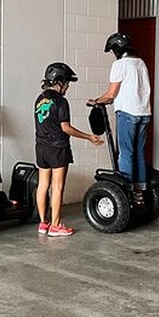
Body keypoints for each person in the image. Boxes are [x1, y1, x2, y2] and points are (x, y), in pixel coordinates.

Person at [35, 62, 103, 237]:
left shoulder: (39, 99)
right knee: (57, 187)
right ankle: (56, 226)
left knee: (43, 185)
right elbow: (65, 128)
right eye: (66, 83)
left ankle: (43, 223)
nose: (67, 87)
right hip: (58, 148)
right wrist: (88, 137)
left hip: (41, 148)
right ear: (59, 81)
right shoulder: (61, 101)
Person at [91, 32, 152, 203]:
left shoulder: (119, 65)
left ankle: (126, 191)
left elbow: (111, 94)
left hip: (127, 113)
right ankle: (139, 192)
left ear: (117, 48)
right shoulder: (140, 63)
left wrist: (96, 101)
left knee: (125, 154)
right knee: (139, 153)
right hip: (144, 113)